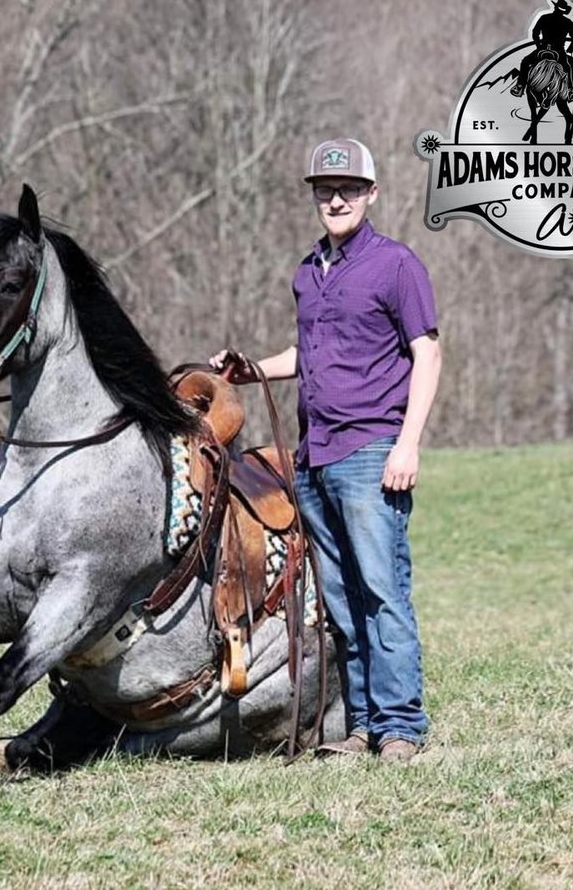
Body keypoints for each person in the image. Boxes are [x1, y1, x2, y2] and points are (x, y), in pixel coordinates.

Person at [211, 138, 441, 762]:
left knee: (382, 589)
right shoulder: (309, 272)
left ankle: (400, 727)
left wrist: (408, 444)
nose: (334, 200)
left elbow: (428, 353)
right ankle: (362, 724)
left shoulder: (397, 266)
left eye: (347, 189)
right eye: (323, 190)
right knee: (340, 597)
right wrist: (250, 368)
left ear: (372, 193)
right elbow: (307, 356)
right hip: (313, 458)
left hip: (371, 450)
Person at [511, 0, 573, 105]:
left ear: (555, 7)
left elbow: (535, 33)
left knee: (525, 61)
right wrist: (570, 48)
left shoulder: (544, 17)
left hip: (543, 48)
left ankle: (520, 86)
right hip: (559, 50)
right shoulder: (567, 22)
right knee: (566, 67)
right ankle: (570, 91)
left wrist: (538, 45)